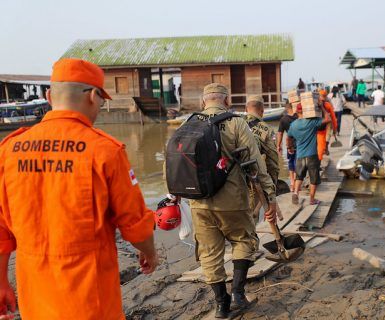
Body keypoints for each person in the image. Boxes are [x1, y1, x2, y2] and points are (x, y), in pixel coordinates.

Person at [0, 58, 158, 319]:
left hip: (35, 296)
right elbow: (134, 223)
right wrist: (149, 252)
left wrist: (2, 282)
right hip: (89, 297)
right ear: (94, 96)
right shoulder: (104, 151)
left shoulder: (9, 150)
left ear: (49, 96)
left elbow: (2, 227)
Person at [188, 83, 277, 318]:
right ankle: (237, 293)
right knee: (244, 241)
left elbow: (174, 167)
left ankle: (220, 305)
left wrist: (172, 199)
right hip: (233, 200)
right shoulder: (236, 122)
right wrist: (270, 197)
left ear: (203, 102)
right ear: (227, 101)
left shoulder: (188, 123)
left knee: (209, 253)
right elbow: (257, 164)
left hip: (198, 203)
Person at [244, 95, 280, 220]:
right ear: (262, 110)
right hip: (252, 184)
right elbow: (273, 163)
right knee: (249, 228)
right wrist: (272, 192)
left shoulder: (234, 125)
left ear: (246, 108)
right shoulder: (266, 130)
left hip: (230, 184)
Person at [288, 104, 330, 206]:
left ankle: (295, 192)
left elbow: (289, 137)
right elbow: (328, 119)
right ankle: (312, 200)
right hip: (312, 155)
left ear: (297, 112)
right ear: (306, 111)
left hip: (300, 155)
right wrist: (321, 107)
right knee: (313, 179)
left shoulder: (293, 125)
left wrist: (290, 148)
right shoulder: (311, 122)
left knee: (299, 177)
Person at [277, 103, 298, 188]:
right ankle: (296, 181)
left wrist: (278, 145)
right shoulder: (299, 117)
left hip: (290, 144)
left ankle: (292, 182)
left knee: (291, 162)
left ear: (286, 109)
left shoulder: (283, 119)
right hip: (300, 143)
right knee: (298, 162)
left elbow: (280, 133)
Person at [317, 90, 337, 161]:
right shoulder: (327, 104)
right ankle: (326, 146)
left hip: (318, 126)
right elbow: (333, 118)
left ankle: (326, 147)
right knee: (326, 137)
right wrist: (335, 129)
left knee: (321, 144)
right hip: (323, 125)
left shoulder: (316, 105)